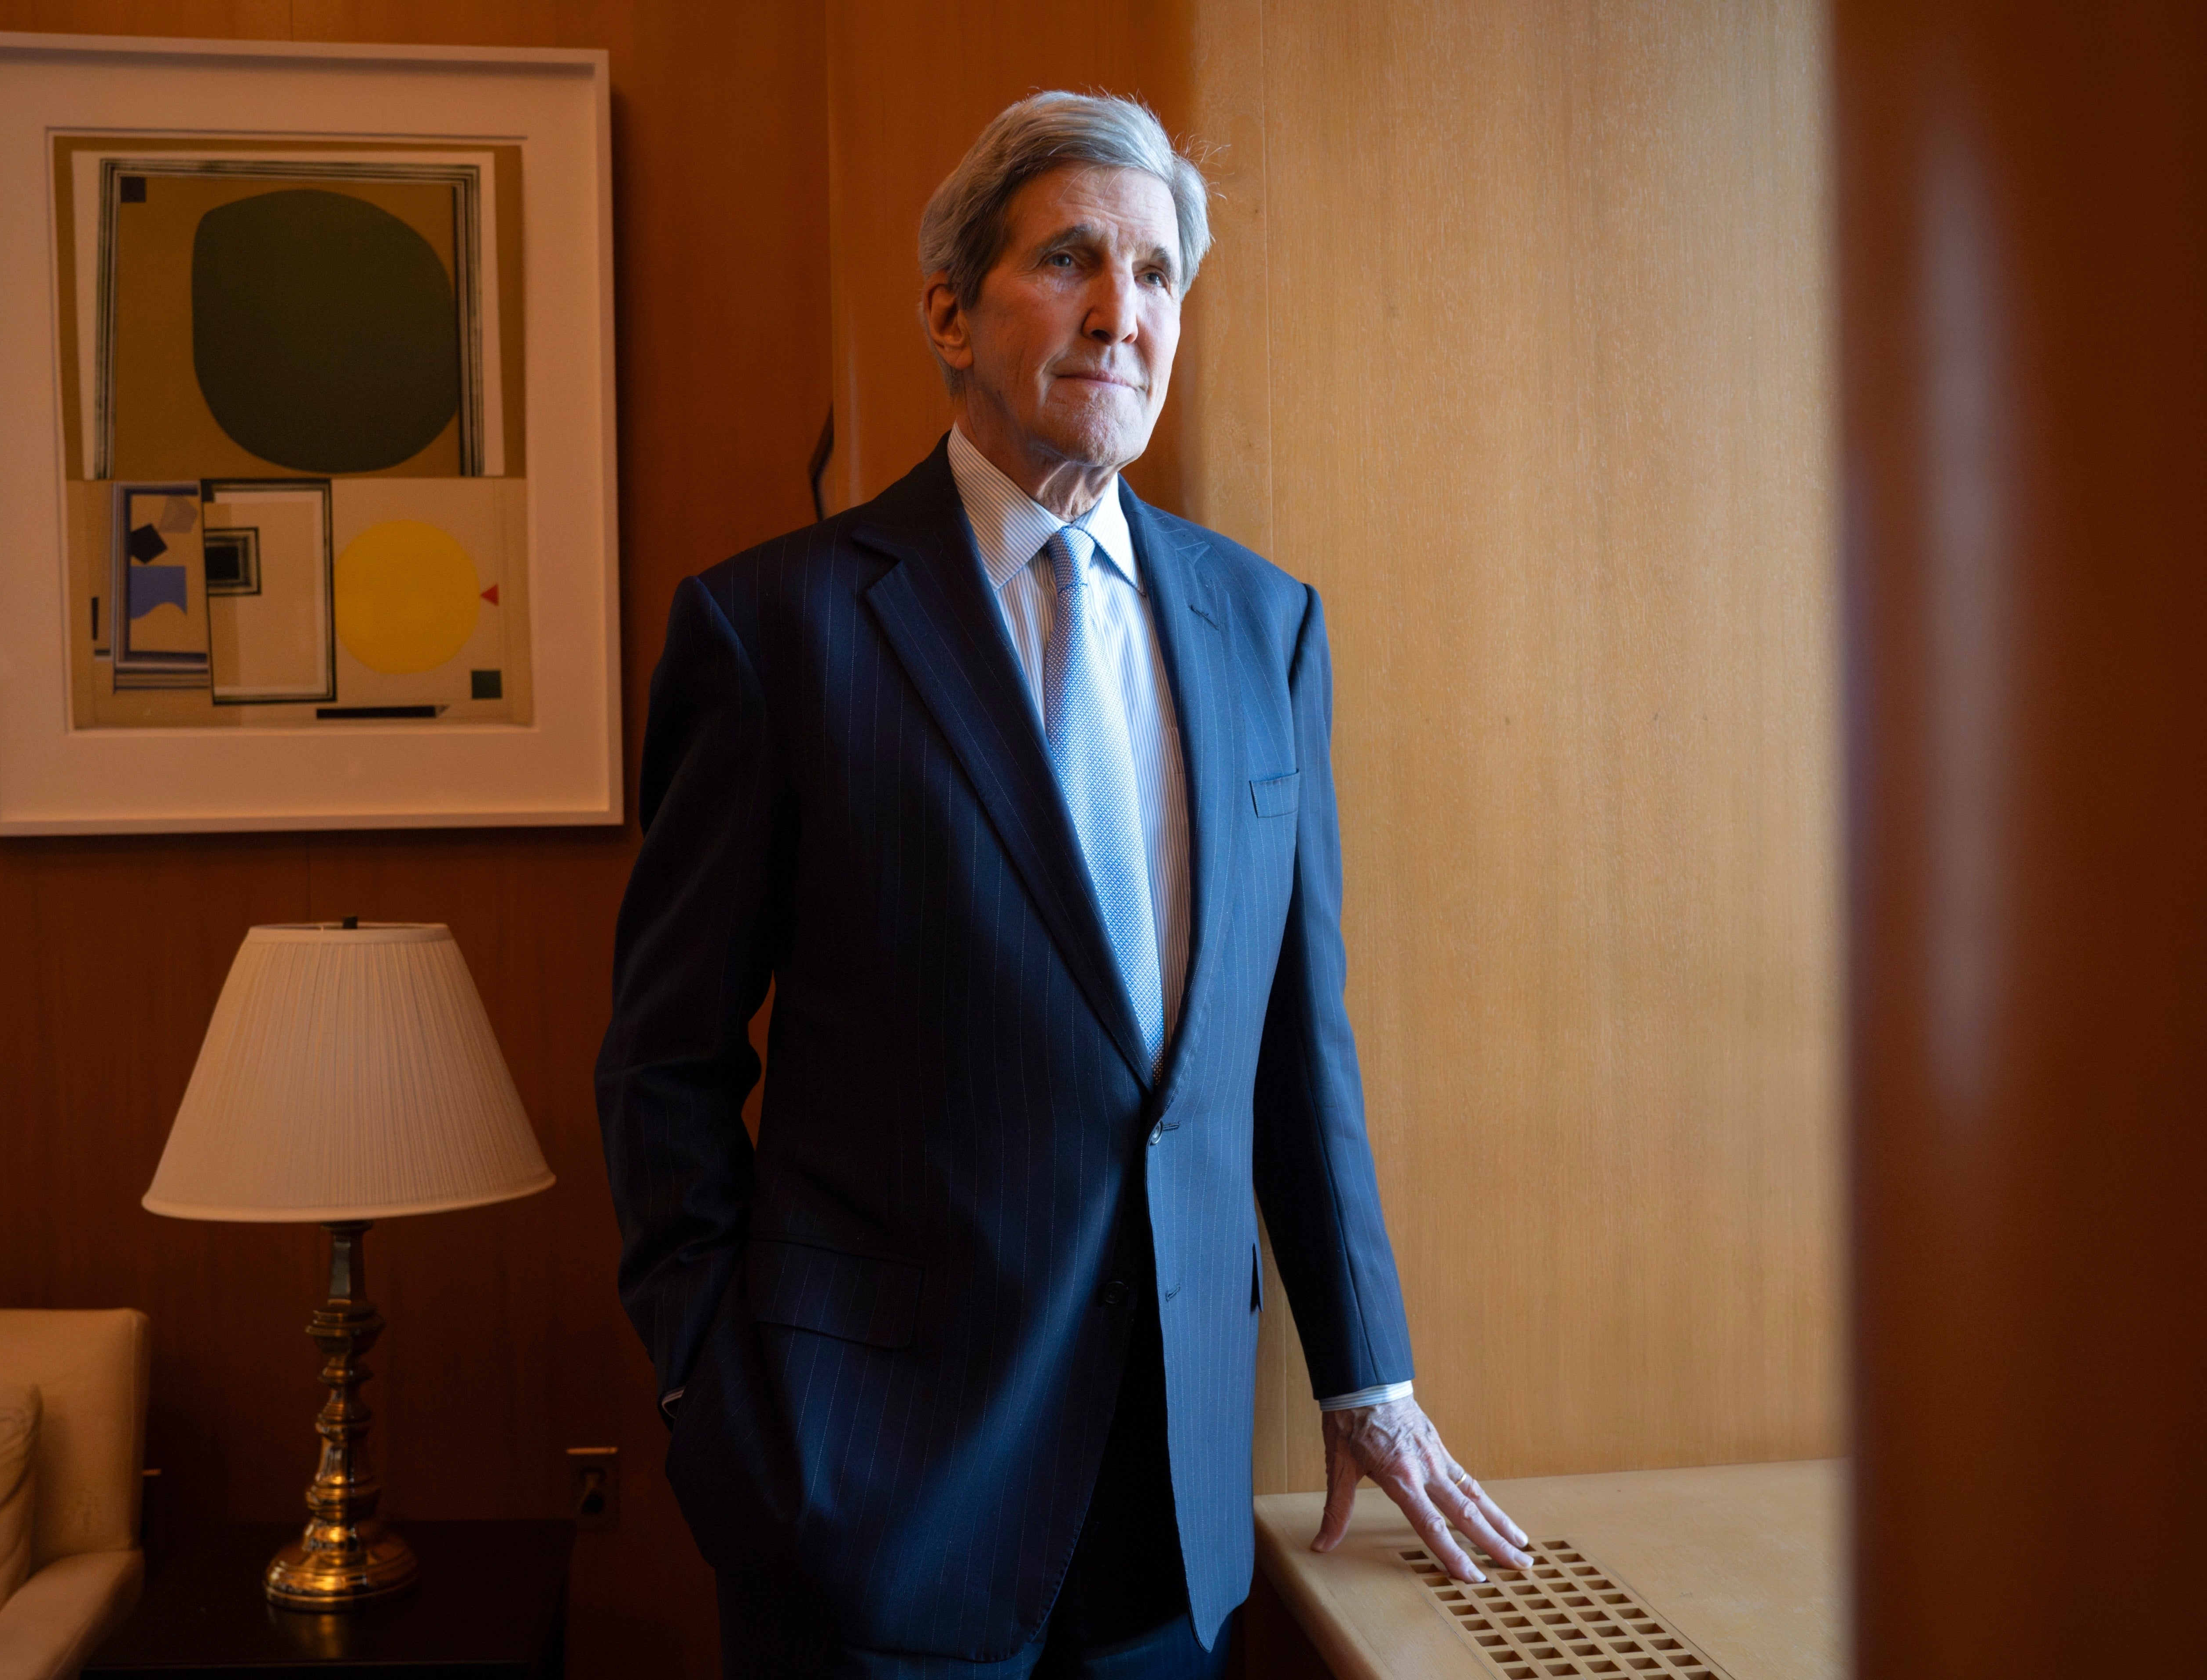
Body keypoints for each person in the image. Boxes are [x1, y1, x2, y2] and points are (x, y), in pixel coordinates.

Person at [596, 91, 1531, 1678]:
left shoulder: (1265, 626)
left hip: (1168, 1514)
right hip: (867, 1499)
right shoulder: (777, 631)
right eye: (1072, 261)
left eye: (1160, 274)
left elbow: (1296, 1038)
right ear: (950, 313)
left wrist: (1367, 1374)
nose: (1125, 313)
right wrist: (717, 1403)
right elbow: (662, 1066)